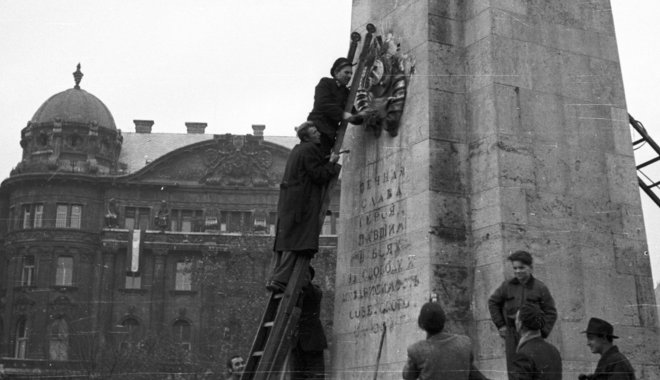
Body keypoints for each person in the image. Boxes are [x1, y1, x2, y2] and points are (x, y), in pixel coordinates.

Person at [267, 122, 341, 292]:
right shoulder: (310, 149)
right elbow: (318, 175)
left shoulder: (297, 150)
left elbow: (308, 169)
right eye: (315, 132)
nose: (319, 134)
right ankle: (281, 279)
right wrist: (332, 163)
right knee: (298, 242)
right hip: (302, 204)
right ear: (307, 137)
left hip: (291, 204)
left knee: (287, 242)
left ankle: (277, 277)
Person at [488, 250, 557, 378]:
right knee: (514, 369)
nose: (518, 271)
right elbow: (493, 302)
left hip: (531, 334)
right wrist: (501, 325)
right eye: (515, 268)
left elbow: (551, 312)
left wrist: (542, 332)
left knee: (532, 367)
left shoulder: (540, 288)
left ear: (530, 268)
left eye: (521, 268)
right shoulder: (507, 286)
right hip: (512, 334)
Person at [403, 302, 488, 380]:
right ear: (444, 321)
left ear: (421, 324)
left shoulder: (417, 350)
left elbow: (407, 376)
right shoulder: (465, 343)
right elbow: (470, 371)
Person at [307, 57, 363, 158]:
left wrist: (364, 116)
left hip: (329, 137)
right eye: (346, 72)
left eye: (351, 73)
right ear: (336, 72)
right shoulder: (325, 83)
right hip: (316, 130)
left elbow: (352, 113)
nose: (350, 76)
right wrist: (344, 115)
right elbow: (323, 104)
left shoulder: (346, 93)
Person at [290, 266, 327, 379]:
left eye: (306, 275)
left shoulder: (315, 291)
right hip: (296, 344)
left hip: (313, 343)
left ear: (310, 277)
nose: (302, 277)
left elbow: (311, 292)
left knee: (315, 376)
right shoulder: (294, 292)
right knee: (296, 376)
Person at [508, 303, 562, 380]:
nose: (515, 322)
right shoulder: (554, 350)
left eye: (516, 319)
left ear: (520, 324)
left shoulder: (523, 355)